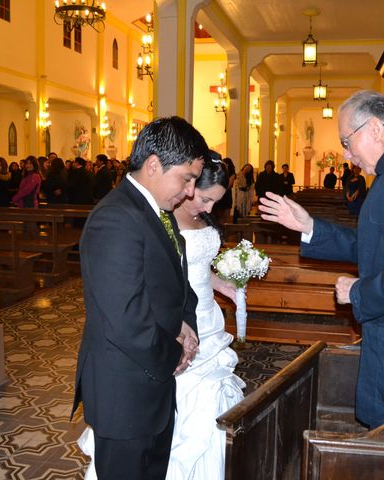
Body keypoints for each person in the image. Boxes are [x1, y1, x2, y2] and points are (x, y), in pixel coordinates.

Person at [259, 90, 384, 429]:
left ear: (373, 128)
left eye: (347, 141)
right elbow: (374, 246)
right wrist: (310, 226)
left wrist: (359, 292)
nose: (346, 154)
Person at [78, 153, 246, 480]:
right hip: (149, 348)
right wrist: (174, 347)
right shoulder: (135, 218)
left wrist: (216, 286)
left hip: (200, 320)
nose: (210, 209)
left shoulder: (171, 216)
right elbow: (131, 306)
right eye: (205, 197)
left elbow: (185, 272)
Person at [71, 116, 207, 480]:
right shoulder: (116, 218)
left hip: (153, 386)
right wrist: (175, 352)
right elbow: (125, 316)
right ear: (153, 165)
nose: (191, 191)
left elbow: (178, 280)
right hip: (125, 390)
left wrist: (186, 324)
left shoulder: (156, 211)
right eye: (187, 178)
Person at [212, 156, 236, 224]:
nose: (226, 166)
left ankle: (225, 233)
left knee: (226, 216)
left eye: (227, 165)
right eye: (224, 164)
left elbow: (228, 185)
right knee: (218, 215)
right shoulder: (219, 172)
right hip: (219, 195)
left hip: (226, 195)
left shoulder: (232, 174)